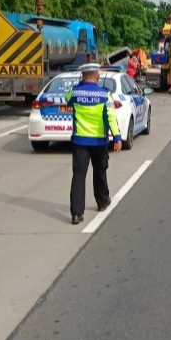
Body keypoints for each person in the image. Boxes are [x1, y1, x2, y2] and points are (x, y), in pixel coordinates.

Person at [65, 63, 122, 225]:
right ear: (97, 77)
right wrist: (117, 138)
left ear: (82, 77)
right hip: (99, 142)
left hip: (80, 141)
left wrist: (80, 84)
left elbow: (67, 100)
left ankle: (76, 214)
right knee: (100, 171)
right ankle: (102, 202)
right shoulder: (105, 95)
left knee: (78, 175)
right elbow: (111, 117)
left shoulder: (74, 93)